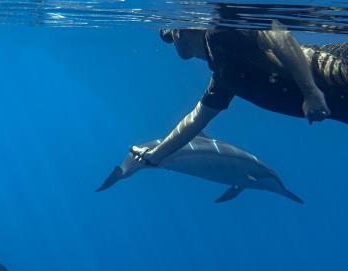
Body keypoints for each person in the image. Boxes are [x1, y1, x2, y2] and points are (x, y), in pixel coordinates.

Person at [130, 23, 348, 166]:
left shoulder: (219, 35)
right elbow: (196, 120)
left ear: (180, 33)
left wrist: (310, 91)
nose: (170, 39)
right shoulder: (224, 76)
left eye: (170, 33)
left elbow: (277, 33)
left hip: (337, 71)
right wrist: (155, 156)